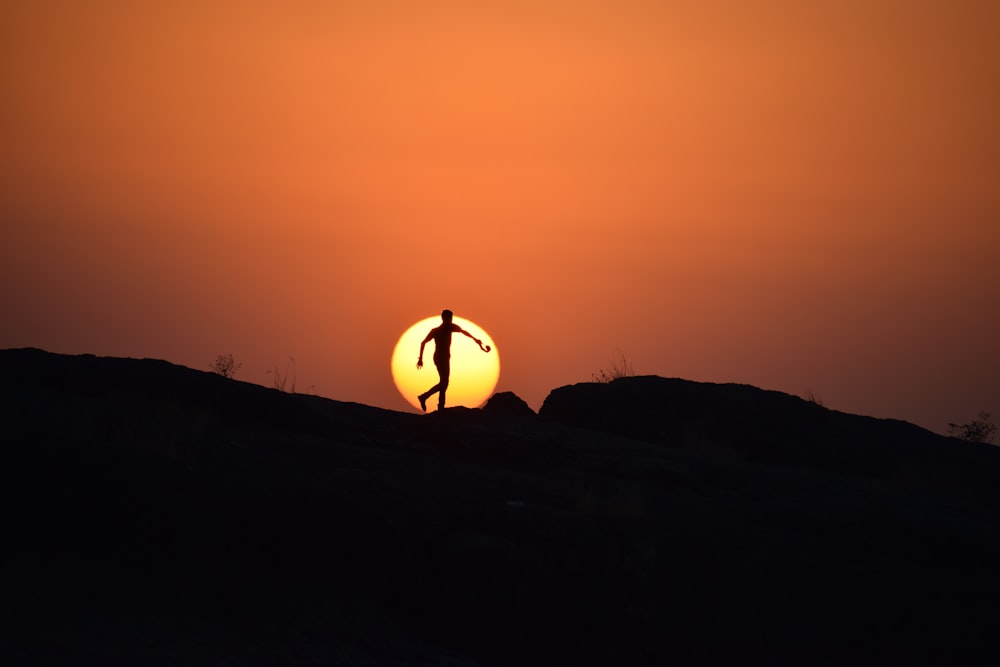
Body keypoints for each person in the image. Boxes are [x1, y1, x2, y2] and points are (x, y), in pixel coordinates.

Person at [416, 309, 490, 412]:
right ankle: (425, 397)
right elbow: (423, 342)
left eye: (451, 318)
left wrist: (475, 339)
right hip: (439, 357)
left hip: (445, 357)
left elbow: (464, 331)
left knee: (444, 382)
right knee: (444, 382)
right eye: (448, 318)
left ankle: (440, 407)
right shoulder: (437, 330)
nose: (450, 320)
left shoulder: (450, 327)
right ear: (443, 318)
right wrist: (420, 359)